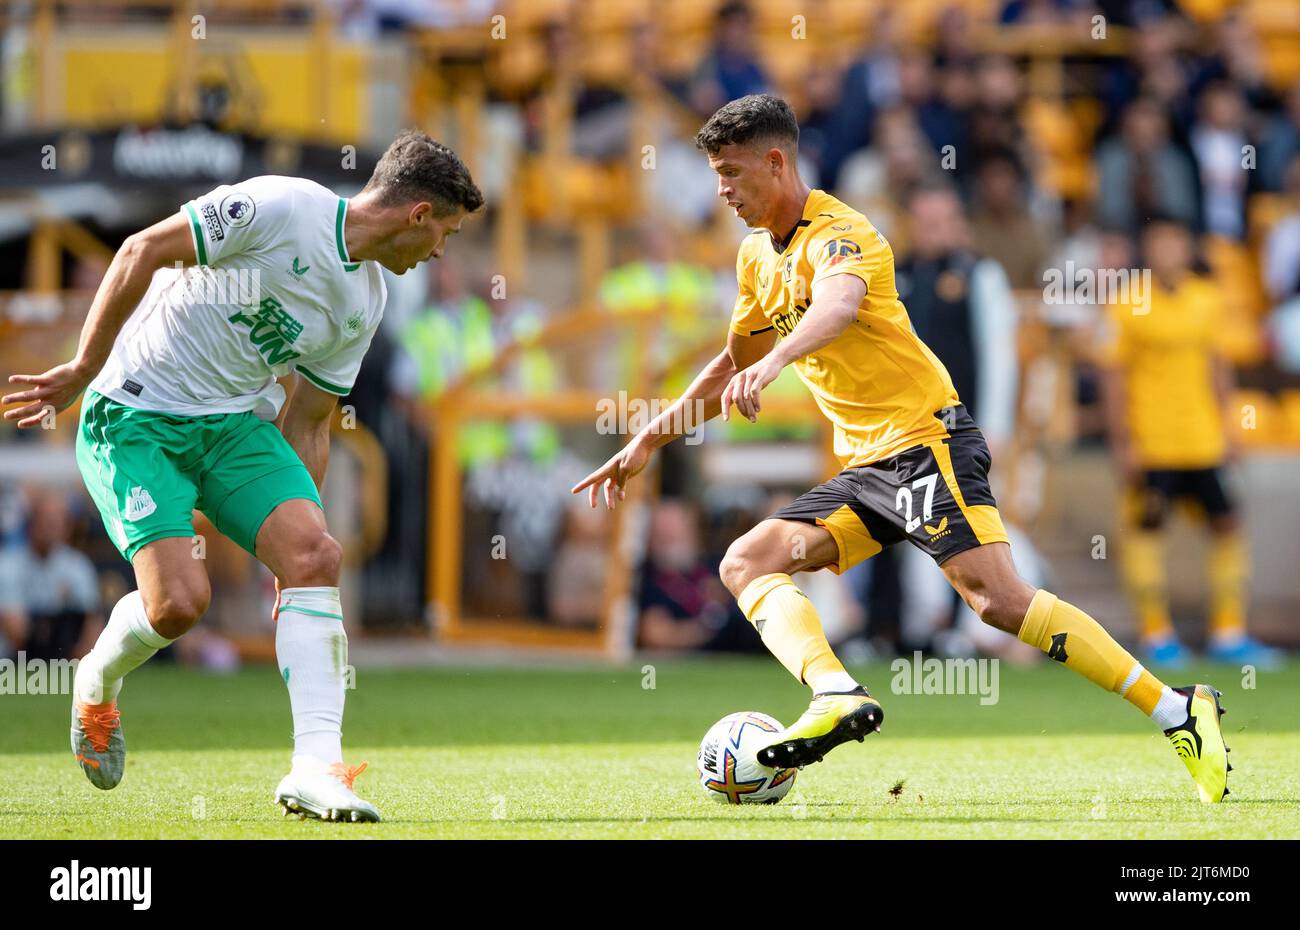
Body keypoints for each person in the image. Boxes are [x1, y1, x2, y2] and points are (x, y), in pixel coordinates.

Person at [573, 95, 1230, 803]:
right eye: (715, 176)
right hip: (866, 468)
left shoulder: (844, 232)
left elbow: (838, 306)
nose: (722, 192)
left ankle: (1177, 709)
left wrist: (775, 363)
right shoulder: (756, 257)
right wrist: (648, 436)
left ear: (776, 161)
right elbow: (731, 361)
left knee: (999, 603)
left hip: (925, 442)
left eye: (732, 173)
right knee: (748, 559)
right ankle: (834, 693)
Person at [2, 130, 483, 822]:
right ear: (418, 216)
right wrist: (81, 368)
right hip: (135, 414)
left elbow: (309, 423)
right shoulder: (283, 207)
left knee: (317, 556)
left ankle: (316, 768)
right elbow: (143, 249)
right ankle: (97, 680)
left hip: (230, 426)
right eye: (446, 232)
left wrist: (290, 551)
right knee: (178, 605)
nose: (442, 251)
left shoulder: (365, 301)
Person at [1100, 217, 1280, 669]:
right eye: (1159, 242)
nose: (1168, 251)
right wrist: (1123, 442)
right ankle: (1156, 634)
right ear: (1147, 248)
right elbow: (1113, 378)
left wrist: (1230, 427)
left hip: (1203, 440)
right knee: (1147, 531)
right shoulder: (1128, 303)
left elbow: (1219, 369)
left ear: (1188, 247)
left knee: (1226, 525)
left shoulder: (1207, 299)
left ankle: (1228, 631)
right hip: (1153, 443)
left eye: (1176, 242)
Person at [0, 488, 102, 662]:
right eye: (45, 521)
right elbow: (16, 632)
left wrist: (81, 662)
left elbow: (93, 624)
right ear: (32, 524)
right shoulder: (7, 563)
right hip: (15, 661)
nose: (50, 529)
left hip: (66, 660)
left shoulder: (77, 565)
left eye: (57, 522)